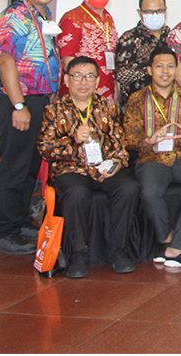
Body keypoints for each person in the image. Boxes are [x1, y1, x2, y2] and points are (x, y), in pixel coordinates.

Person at [37, 56, 138, 278]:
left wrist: (116, 162)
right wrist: (73, 141)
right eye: (78, 76)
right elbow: (45, 148)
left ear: (97, 81)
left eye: (90, 77)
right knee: (76, 192)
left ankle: (118, 250)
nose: (84, 82)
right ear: (67, 79)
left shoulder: (107, 107)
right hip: (70, 169)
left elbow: (121, 143)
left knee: (129, 187)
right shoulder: (54, 109)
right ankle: (78, 254)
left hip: (102, 167)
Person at [123, 46, 181, 270]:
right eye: (160, 66)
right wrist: (149, 140)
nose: (165, 71)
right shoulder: (137, 99)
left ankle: (177, 248)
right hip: (151, 158)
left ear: (177, 70)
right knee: (150, 192)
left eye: (170, 66)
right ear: (149, 70)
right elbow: (129, 138)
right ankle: (167, 239)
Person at [0, 0, 60, 255]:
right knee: (14, 167)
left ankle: (19, 219)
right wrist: (19, 104)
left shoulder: (43, 14)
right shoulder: (15, 15)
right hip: (18, 102)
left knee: (29, 167)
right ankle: (4, 231)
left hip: (39, 102)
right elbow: (5, 61)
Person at [56, 0, 118, 100]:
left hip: (106, 94)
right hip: (81, 95)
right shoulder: (72, 18)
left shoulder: (108, 18)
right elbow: (68, 63)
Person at [114, 0, 171, 109]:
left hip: (169, 105)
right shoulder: (129, 39)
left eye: (159, 11)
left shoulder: (172, 36)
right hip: (137, 108)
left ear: (165, 10)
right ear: (140, 12)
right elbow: (121, 75)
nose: (155, 15)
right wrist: (149, 68)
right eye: (149, 12)